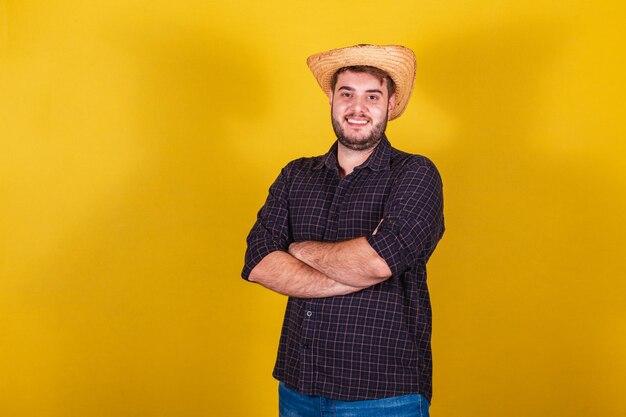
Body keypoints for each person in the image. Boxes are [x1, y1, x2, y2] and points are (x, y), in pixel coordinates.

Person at [242, 44, 445, 417]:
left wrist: (298, 249)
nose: (357, 108)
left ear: (390, 103)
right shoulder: (295, 175)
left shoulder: (414, 173)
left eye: (372, 96)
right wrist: (355, 265)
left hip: (384, 394)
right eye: (346, 94)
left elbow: (378, 264)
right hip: (298, 385)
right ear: (332, 100)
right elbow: (258, 263)